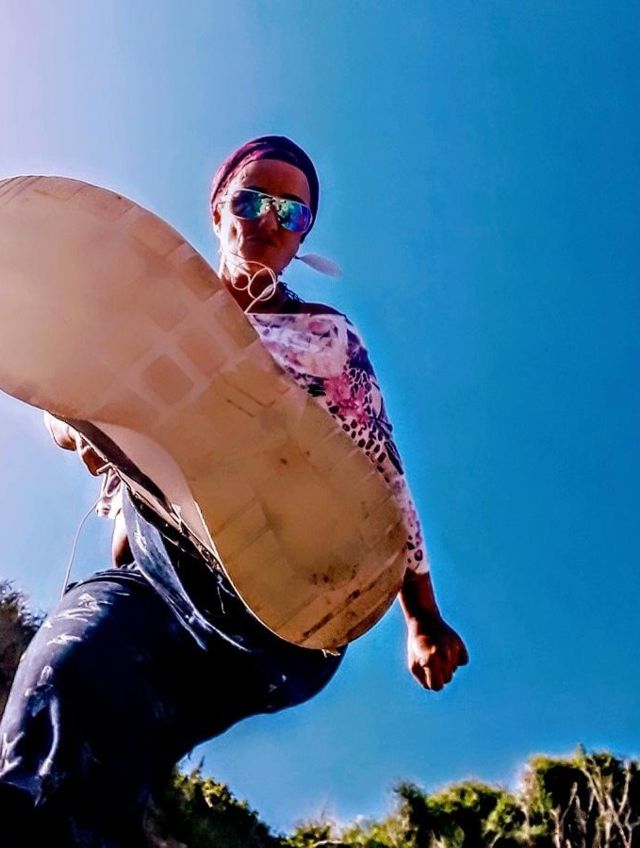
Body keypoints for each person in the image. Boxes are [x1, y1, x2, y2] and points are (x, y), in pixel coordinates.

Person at [0, 136, 468, 847]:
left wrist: (422, 618)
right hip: (149, 588)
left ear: (303, 238)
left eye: (292, 213)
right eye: (251, 201)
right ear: (218, 212)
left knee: (105, 723)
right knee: (72, 682)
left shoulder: (325, 339)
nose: (270, 221)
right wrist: (80, 426)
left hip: (283, 611)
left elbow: (384, 476)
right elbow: (63, 399)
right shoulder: (135, 324)